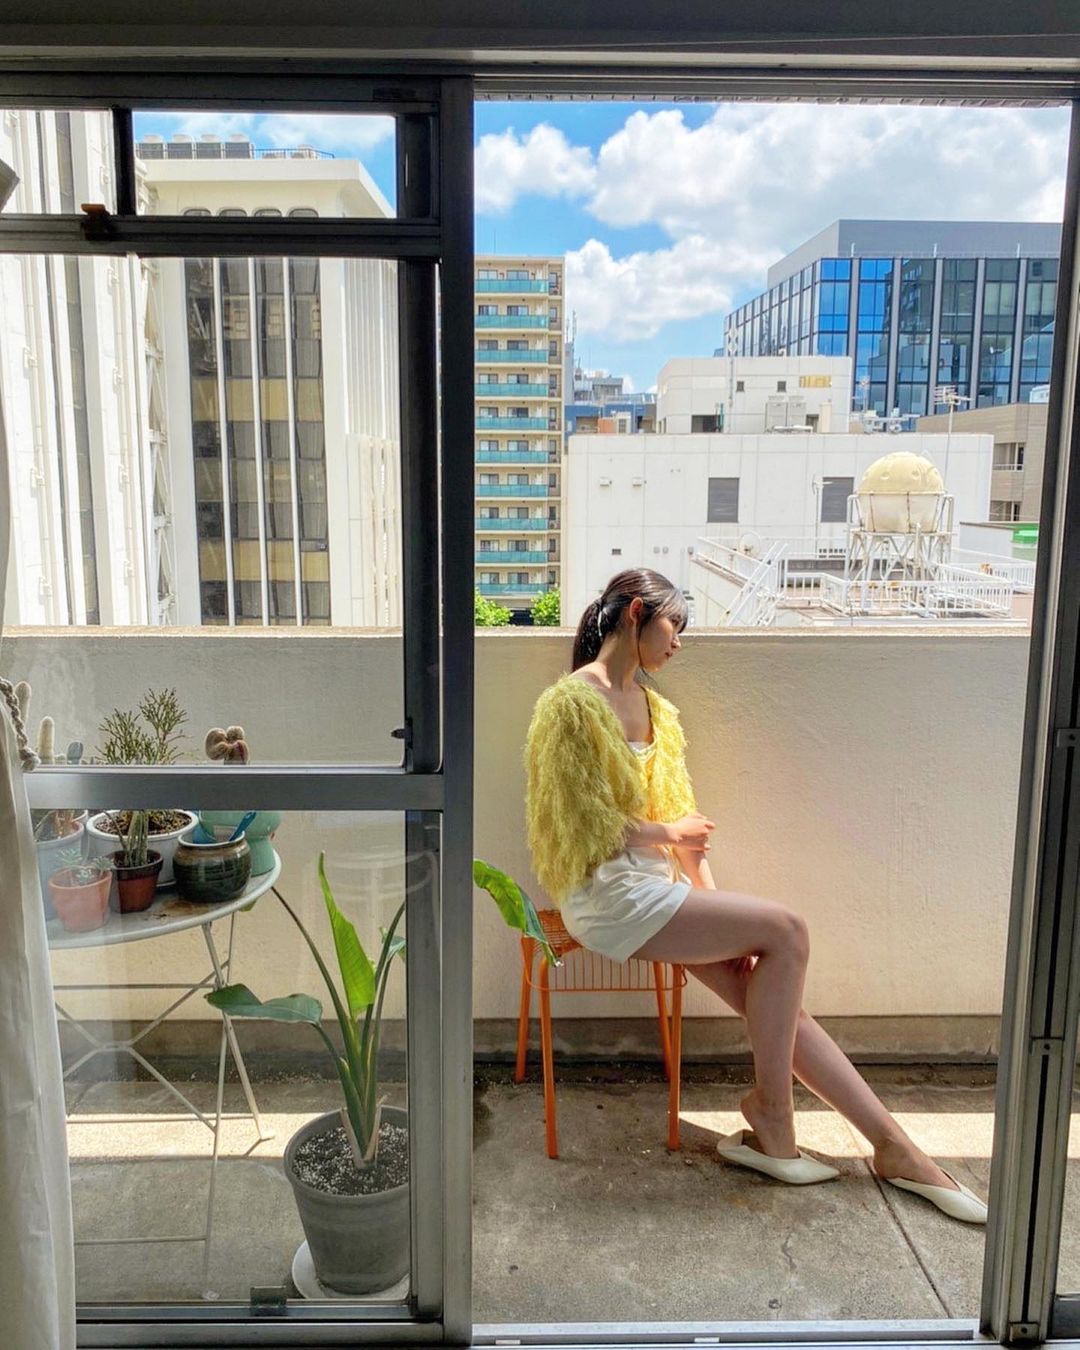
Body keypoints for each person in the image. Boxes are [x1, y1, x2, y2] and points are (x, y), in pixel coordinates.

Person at [524, 568, 986, 1223]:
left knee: (776, 1000)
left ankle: (894, 1148)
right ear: (635, 614)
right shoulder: (570, 703)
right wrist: (668, 835)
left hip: (658, 893)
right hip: (605, 898)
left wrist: (722, 919)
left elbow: (689, 837)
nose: (678, 642)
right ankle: (774, 1115)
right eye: (674, 625)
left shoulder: (659, 711)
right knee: (788, 929)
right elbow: (579, 825)